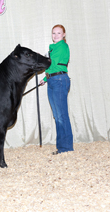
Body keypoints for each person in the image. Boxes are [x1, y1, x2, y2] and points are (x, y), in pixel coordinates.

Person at [40, 24, 73, 154]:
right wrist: (46, 78)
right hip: (54, 80)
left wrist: (41, 60)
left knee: (61, 116)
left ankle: (66, 148)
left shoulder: (62, 46)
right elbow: (53, 67)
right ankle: (62, 147)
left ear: (64, 35)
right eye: (54, 33)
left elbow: (52, 64)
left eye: (59, 33)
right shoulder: (54, 47)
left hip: (59, 81)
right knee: (58, 116)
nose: (56, 35)